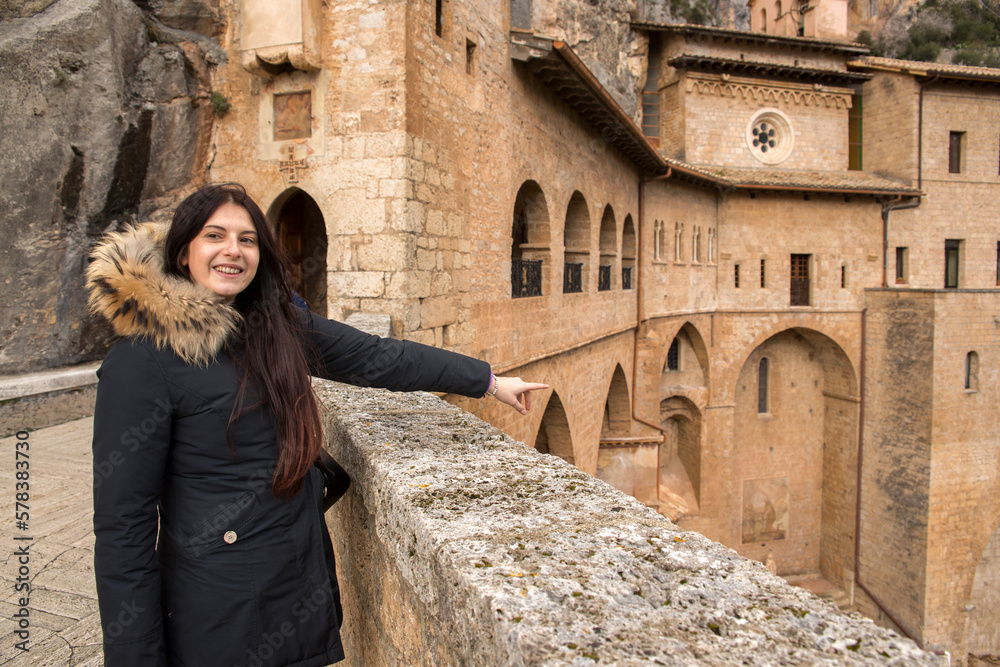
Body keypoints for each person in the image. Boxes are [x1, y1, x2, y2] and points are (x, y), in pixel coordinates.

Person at [86, 183, 547, 666]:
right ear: (183, 253)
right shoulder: (141, 362)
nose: (232, 251)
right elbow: (123, 529)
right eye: (214, 236)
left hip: (297, 584)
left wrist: (487, 380)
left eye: (247, 240)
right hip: (219, 616)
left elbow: (377, 356)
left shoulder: (272, 326)